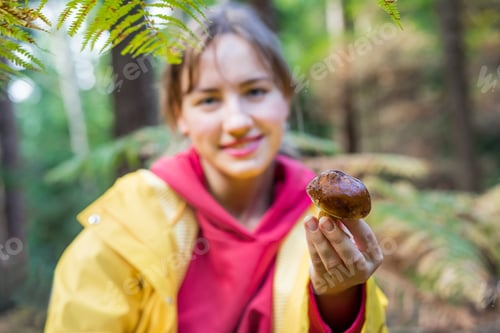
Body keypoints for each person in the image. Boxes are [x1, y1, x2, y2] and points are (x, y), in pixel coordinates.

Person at [44, 3, 387, 333]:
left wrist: (338, 297)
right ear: (180, 115)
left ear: (285, 98)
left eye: (255, 91)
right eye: (208, 100)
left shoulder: (323, 222)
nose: (237, 121)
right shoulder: (127, 222)